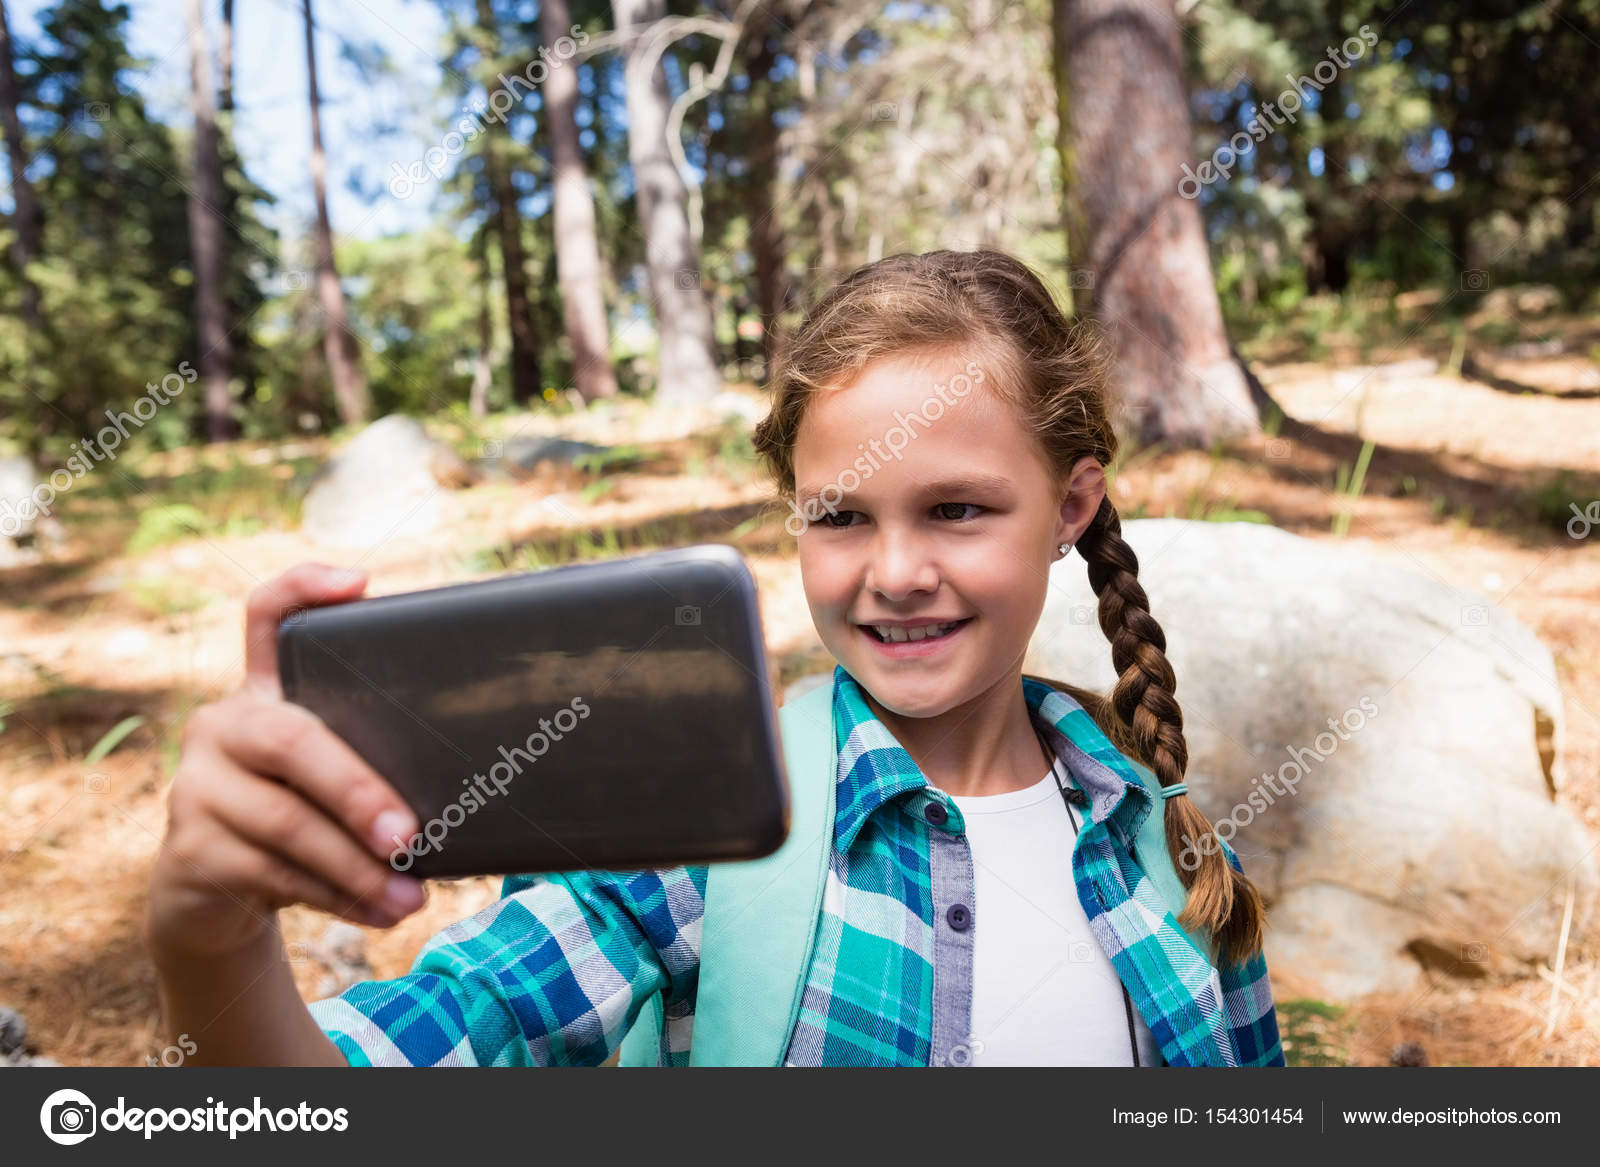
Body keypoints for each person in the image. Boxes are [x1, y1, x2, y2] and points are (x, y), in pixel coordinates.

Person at [144, 248, 1284, 1067]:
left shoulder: (1157, 835)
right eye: (837, 516)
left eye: (956, 509)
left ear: (1070, 507)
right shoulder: (698, 827)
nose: (892, 571)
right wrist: (214, 944)